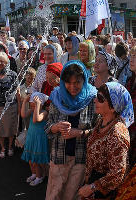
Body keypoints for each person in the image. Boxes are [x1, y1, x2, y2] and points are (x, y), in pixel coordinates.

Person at [45, 60, 97, 200]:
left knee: (72, 196)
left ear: (84, 80)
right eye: (68, 82)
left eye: (77, 82)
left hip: (80, 160)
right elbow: (48, 125)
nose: (73, 87)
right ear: (63, 82)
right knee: (53, 195)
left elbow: (98, 131)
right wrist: (55, 127)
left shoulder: (92, 98)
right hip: (59, 157)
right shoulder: (57, 96)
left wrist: (79, 133)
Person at [78, 82, 132, 199]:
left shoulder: (117, 134)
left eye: (100, 99)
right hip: (92, 183)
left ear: (113, 107)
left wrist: (92, 187)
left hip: (104, 193)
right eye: (97, 96)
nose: (95, 100)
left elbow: (118, 172)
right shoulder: (102, 121)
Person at [0, 52, 20, 158]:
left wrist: (20, 106)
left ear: (6, 62)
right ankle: (2, 148)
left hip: (11, 106)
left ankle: (10, 147)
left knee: (11, 128)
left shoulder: (13, 74)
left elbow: (18, 92)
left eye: (2, 61)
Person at [21, 92, 50, 186]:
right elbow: (23, 115)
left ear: (40, 104)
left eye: (35, 105)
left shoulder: (44, 112)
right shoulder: (32, 110)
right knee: (30, 159)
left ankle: (39, 177)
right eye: (32, 105)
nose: (33, 107)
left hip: (39, 138)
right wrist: (25, 101)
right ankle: (34, 174)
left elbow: (35, 119)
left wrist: (37, 106)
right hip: (31, 136)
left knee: (36, 160)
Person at [126, 46, 136, 166]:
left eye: (135, 56)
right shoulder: (130, 80)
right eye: (131, 56)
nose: (131, 59)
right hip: (129, 130)